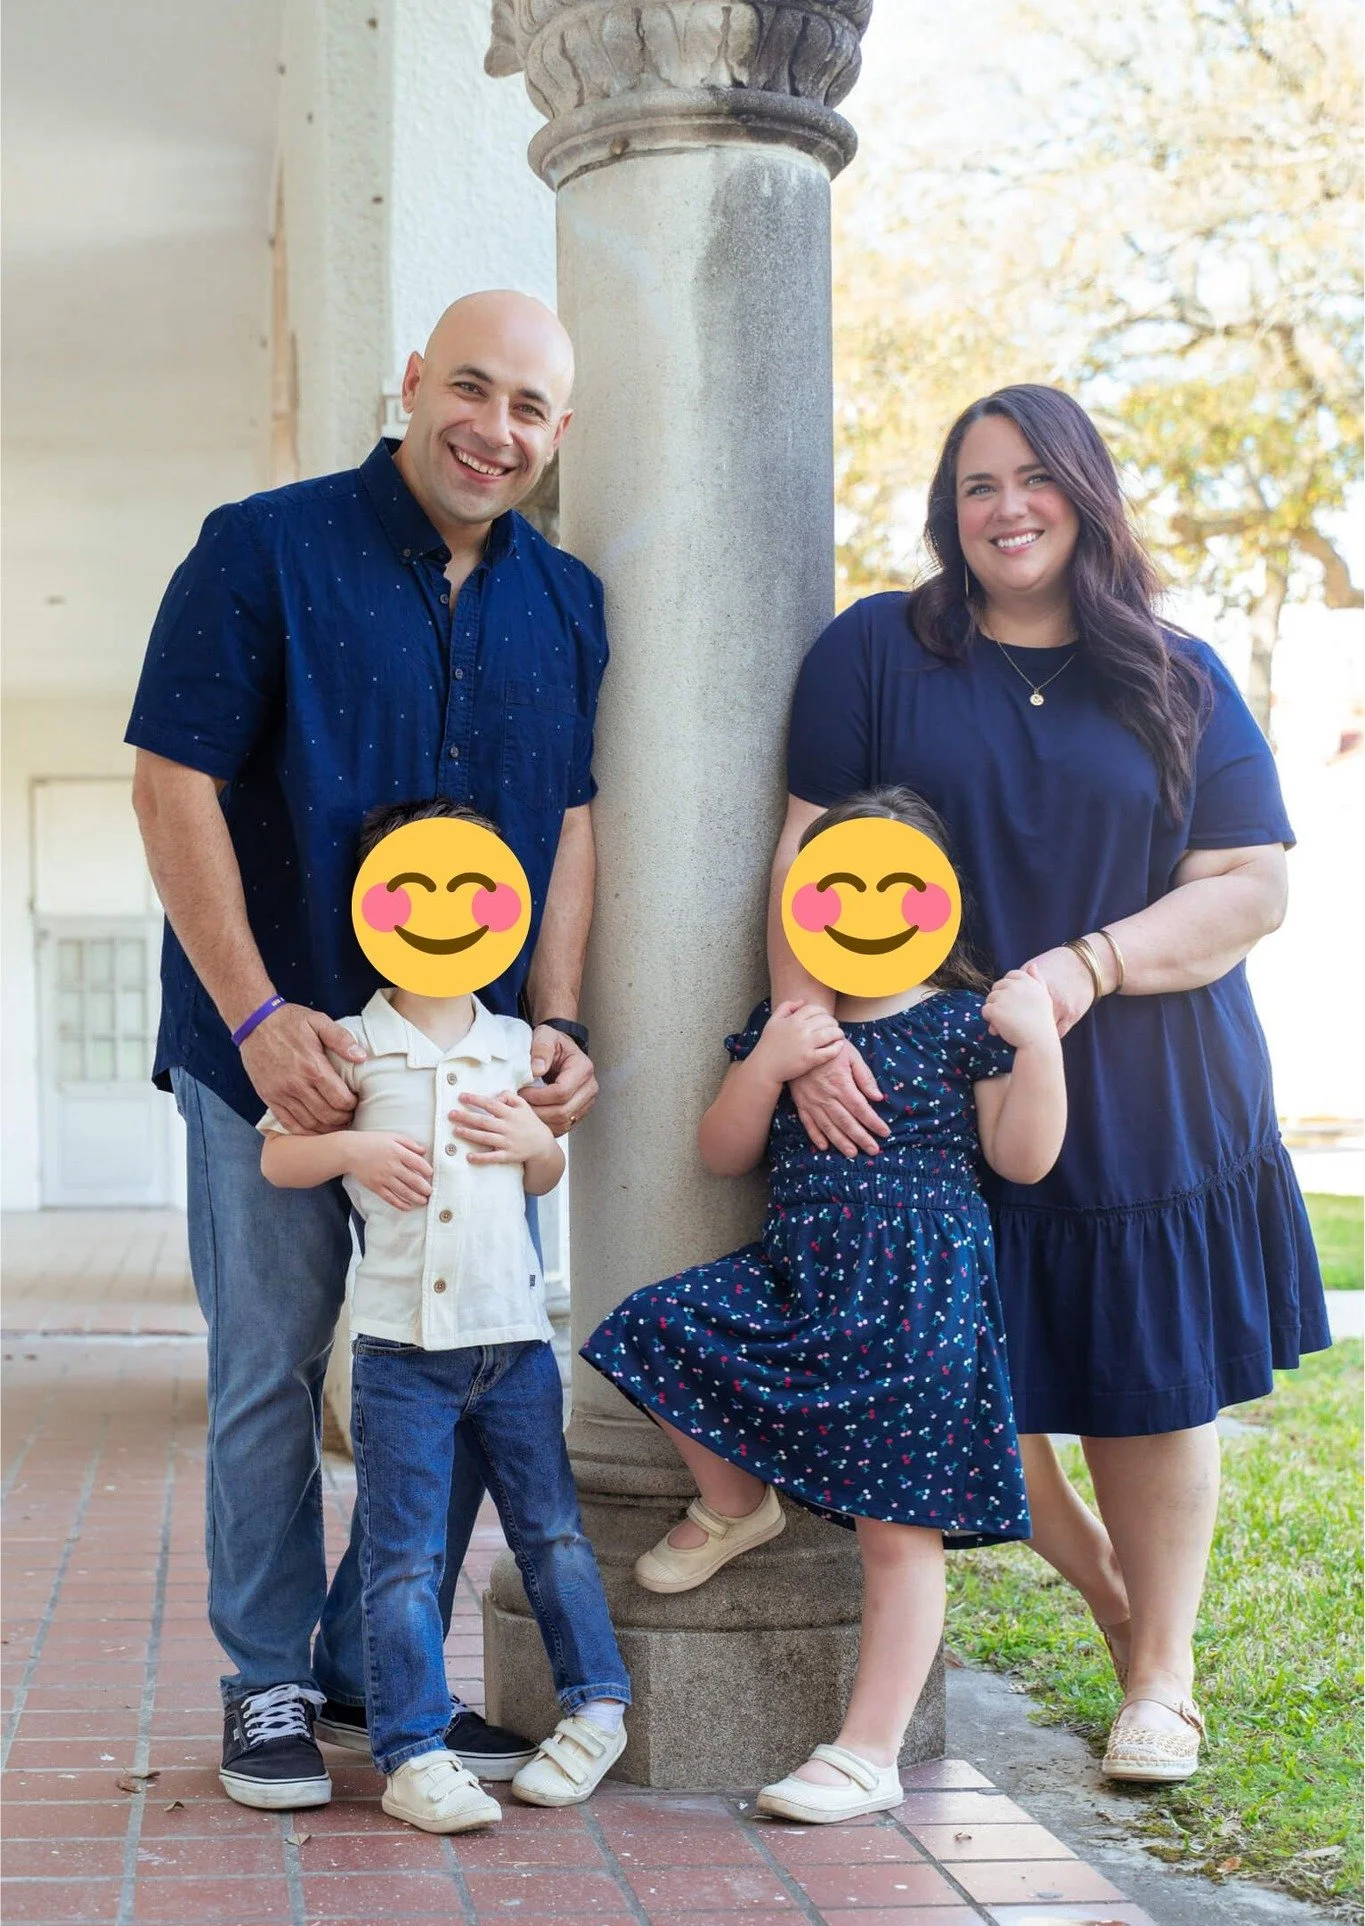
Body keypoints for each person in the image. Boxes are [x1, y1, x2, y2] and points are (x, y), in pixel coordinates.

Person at [771, 385, 1330, 1783]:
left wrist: (1083, 971)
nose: (1006, 506)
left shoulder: (1176, 672)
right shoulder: (873, 655)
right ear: (944, 511)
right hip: (935, 1089)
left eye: (1034, 478)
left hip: (1150, 1079)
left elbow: (1252, 889)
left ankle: (1162, 1679)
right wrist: (804, 1028)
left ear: (1085, 492)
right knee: (960, 1385)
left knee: (1147, 1392)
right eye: (975, 484)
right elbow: (800, 864)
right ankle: (1107, 1600)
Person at [126, 291, 606, 1808]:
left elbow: (572, 827)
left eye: (530, 407)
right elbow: (170, 784)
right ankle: (267, 1681)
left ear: (557, 433)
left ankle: (363, 1666)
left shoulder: (569, 600)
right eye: (471, 388)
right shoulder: (259, 547)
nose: (496, 427)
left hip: (469, 1065)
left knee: (469, 1362)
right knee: (272, 1366)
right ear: (410, 384)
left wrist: (561, 1028)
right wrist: (265, 1020)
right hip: (273, 1048)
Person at [582, 789, 1067, 1823]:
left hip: (917, 1306)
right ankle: (736, 1502)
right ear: (803, 903)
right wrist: (767, 1065)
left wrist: (1043, 1045)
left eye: (895, 884)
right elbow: (723, 1152)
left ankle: (867, 1748)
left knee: (900, 1531)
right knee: (649, 1324)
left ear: (939, 900)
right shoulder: (794, 1021)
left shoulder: (963, 1022)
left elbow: (1022, 1156)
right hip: (799, 1279)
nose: (866, 904)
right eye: (837, 884)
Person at [257, 799, 630, 1831]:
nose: (444, 911)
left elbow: (549, 1171)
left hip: (512, 1343)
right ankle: (412, 1749)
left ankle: (597, 1706)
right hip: (399, 1355)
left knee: (552, 1531)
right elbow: (279, 1153)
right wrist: (352, 1151)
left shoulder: (518, 1046)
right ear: (373, 908)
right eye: (415, 887)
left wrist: (533, 1138)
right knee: (406, 1555)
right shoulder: (349, 1047)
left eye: (472, 889)